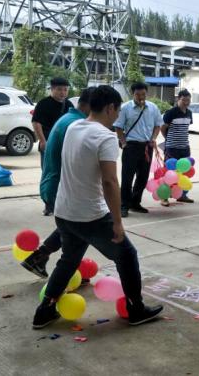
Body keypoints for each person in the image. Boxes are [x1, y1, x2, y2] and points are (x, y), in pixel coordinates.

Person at [32, 85, 163, 329]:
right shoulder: (105, 137)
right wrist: (117, 222)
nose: (118, 116)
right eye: (118, 111)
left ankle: (45, 310)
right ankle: (136, 309)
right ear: (110, 108)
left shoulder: (74, 127)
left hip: (64, 211)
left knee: (69, 260)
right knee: (127, 255)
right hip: (90, 215)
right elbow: (110, 181)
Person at [21, 88, 95, 278]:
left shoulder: (70, 118)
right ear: (90, 106)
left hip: (55, 185)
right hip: (60, 187)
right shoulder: (76, 125)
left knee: (71, 228)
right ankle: (63, 275)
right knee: (81, 230)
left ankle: (39, 258)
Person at [114, 82, 163, 218]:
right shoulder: (125, 108)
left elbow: (158, 125)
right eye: (137, 94)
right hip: (131, 147)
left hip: (147, 147)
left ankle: (135, 203)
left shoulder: (153, 107)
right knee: (127, 177)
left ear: (147, 93)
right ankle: (124, 205)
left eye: (143, 94)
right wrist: (124, 143)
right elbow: (118, 126)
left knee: (143, 177)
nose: (141, 97)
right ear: (132, 94)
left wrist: (153, 138)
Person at [32, 77, 73, 216]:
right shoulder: (44, 103)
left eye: (65, 90)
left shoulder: (68, 104)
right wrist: (43, 141)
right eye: (60, 89)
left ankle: (61, 203)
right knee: (49, 174)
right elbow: (36, 123)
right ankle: (48, 204)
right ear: (52, 89)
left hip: (64, 144)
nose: (63, 93)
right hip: (48, 143)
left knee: (63, 174)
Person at [160, 89, 194, 206]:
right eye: (183, 100)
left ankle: (181, 195)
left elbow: (185, 129)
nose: (186, 103)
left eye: (188, 100)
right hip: (172, 148)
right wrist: (168, 139)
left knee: (184, 172)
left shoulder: (189, 113)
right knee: (169, 172)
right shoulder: (171, 112)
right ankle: (164, 197)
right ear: (178, 99)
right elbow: (163, 128)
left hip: (185, 147)